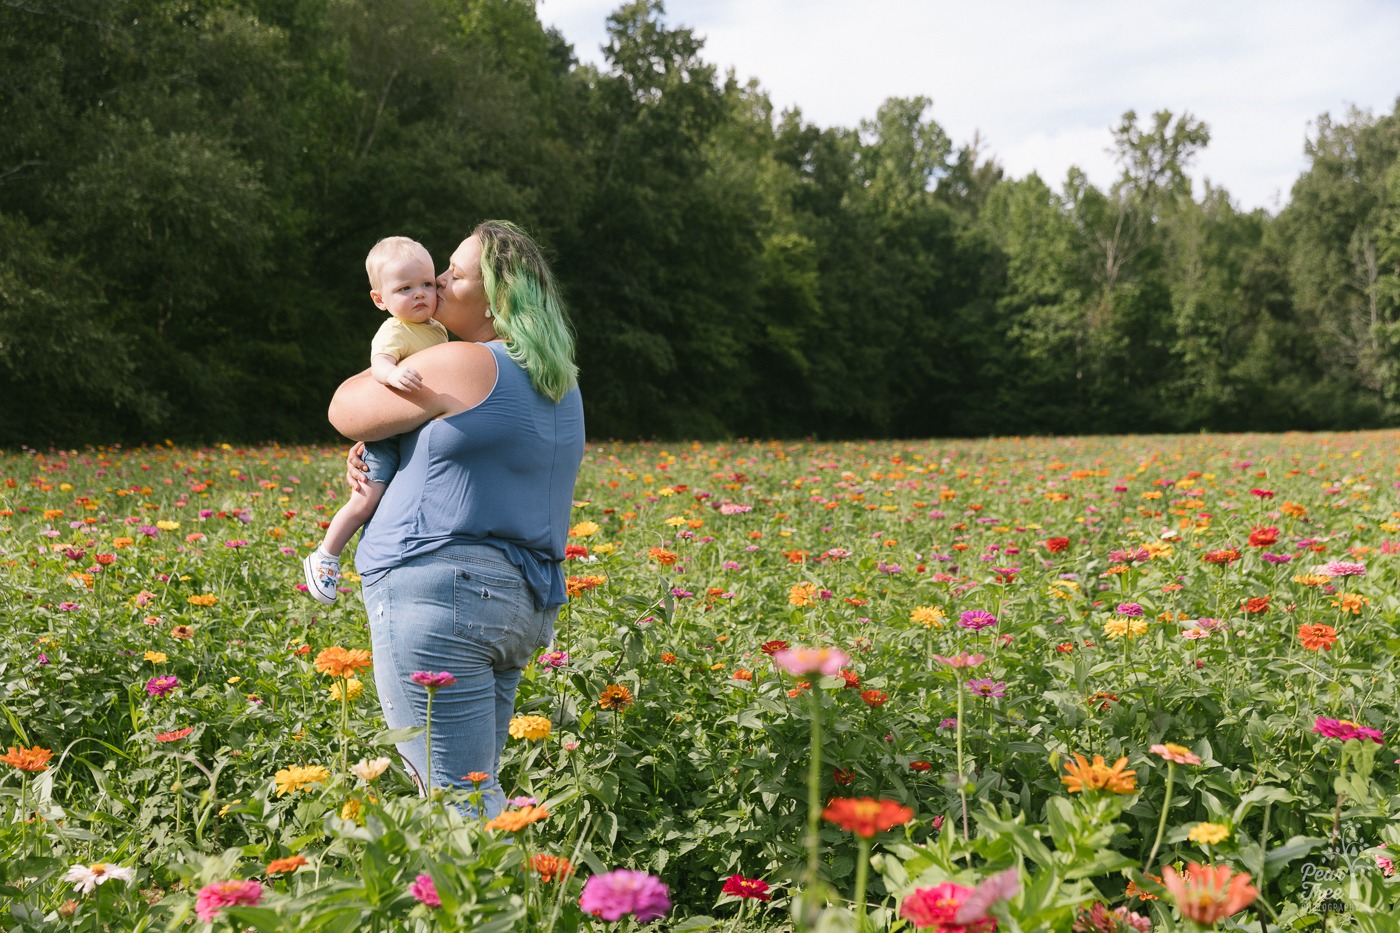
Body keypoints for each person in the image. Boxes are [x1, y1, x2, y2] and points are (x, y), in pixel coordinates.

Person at [327, 220, 584, 816]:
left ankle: (496, 908)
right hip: (520, 601)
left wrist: (394, 356)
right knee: (475, 785)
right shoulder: (559, 380)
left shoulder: (462, 362)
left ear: (494, 299)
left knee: (451, 799)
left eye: (456, 274)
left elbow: (346, 408)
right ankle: (514, 902)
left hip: (441, 595)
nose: (438, 282)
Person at [302, 236, 447, 605]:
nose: (420, 294)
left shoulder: (436, 329)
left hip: (414, 429)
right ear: (379, 300)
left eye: (427, 284)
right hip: (389, 434)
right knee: (366, 498)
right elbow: (380, 363)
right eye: (405, 288)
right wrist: (393, 375)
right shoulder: (395, 329)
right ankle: (326, 554)